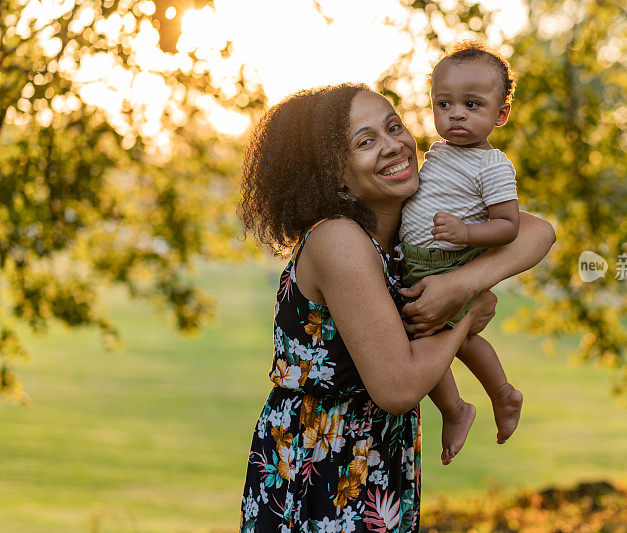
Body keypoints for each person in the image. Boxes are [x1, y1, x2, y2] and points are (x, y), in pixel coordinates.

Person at [237, 83, 556, 532]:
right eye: (365, 142)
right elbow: (398, 386)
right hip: (323, 464)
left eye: (394, 127)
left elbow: (538, 231)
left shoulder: (412, 228)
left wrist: (459, 285)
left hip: (380, 457)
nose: (393, 146)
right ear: (334, 174)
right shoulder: (338, 239)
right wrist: (465, 317)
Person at [399, 41, 522, 465]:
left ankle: (471, 405)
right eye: (444, 103)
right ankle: (488, 399)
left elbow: (509, 227)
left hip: (448, 263)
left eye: (472, 104)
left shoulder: (493, 165)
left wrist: (467, 232)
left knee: (432, 343)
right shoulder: (438, 152)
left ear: (500, 115)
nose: (456, 113)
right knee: (457, 341)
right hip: (416, 264)